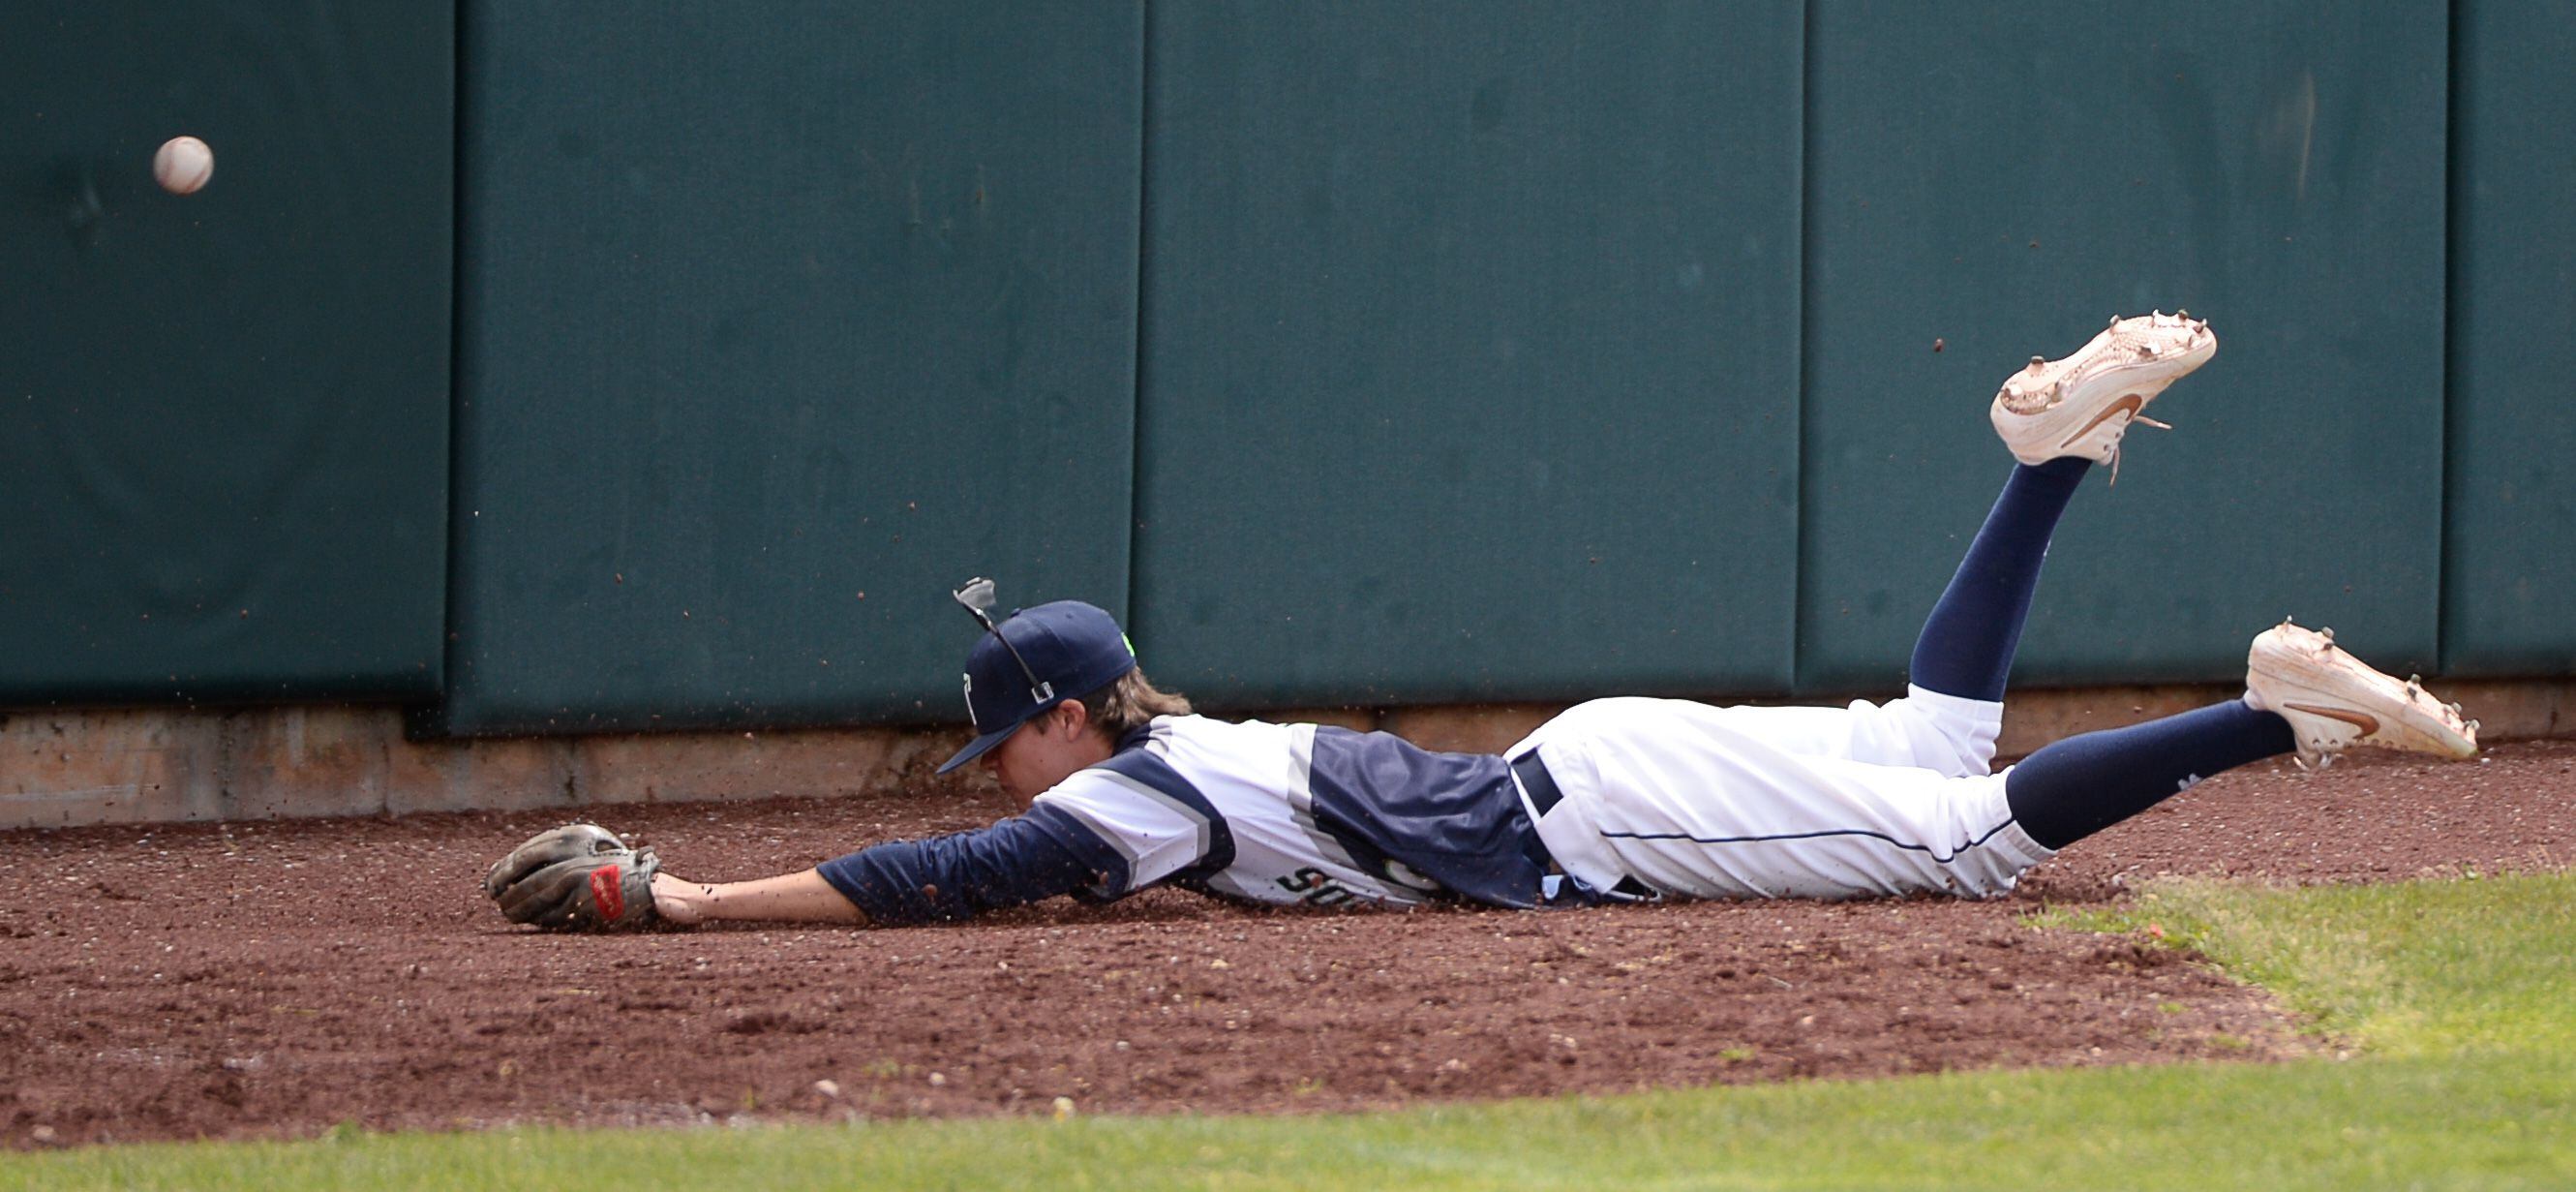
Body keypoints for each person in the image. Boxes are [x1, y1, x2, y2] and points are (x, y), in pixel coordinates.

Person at [638, 312, 2478, 928]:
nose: (1001, 776)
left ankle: (2265, 717)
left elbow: (940, 881)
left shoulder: (1124, 798)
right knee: (1924, 743)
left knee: (1961, 844)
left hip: (1597, 812)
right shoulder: (1170, 755)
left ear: (1062, 716)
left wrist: (689, 901)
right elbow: (975, 853)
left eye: (1005, 740)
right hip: (1580, 773)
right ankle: (2047, 467)